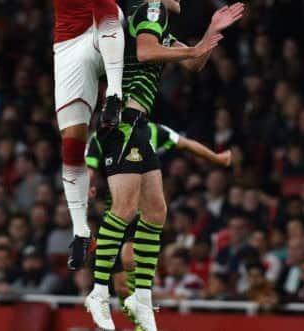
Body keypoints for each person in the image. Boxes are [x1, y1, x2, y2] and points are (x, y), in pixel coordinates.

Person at [85, 0, 244, 330]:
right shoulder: (149, 10)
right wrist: (195, 48)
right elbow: (144, 52)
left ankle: (141, 298)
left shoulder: (159, 23)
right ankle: (98, 292)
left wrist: (210, 33)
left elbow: (194, 64)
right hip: (122, 121)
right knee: (124, 209)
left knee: (156, 211)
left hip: (139, 125)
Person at [24, 0, 166, 271]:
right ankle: (80, 230)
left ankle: (114, 95)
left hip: (105, 37)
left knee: (108, 6)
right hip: (70, 47)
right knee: (71, 141)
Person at [85, 121, 232, 315]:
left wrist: (217, 158)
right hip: (115, 216)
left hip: (141, 215)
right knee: (120, 287)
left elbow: (186, 144)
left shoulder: (153, 130)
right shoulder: (99, 138)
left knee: (128, 258)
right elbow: (88, 167)